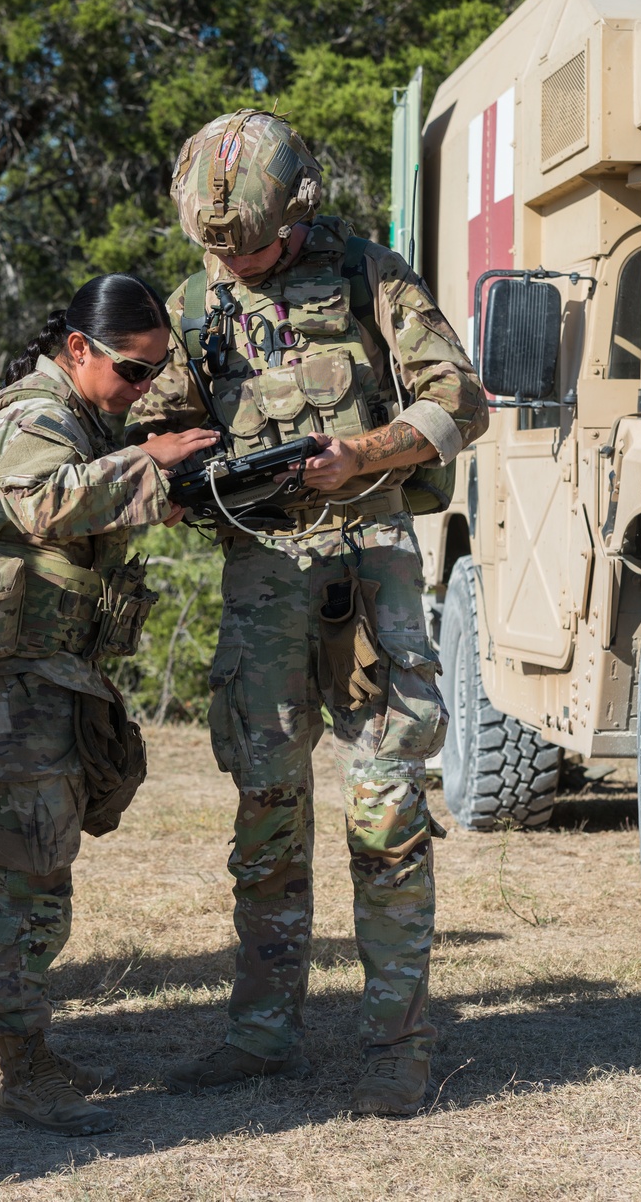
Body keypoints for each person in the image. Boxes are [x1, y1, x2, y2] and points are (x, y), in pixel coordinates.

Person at [126, 110, 488, 1116]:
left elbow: (461, 400)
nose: (234, 260)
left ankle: (396, 1046)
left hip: (369, 573)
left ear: (299, 213)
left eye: (249, 241)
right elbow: (156, 428)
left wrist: (358, 456)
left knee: (385, 805)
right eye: (217, 246)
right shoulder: (197, 301)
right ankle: (261, 1032)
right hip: (261, 586)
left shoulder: (372, 274)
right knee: (265, 808)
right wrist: (194, 459)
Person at [0, 273, 217, 1135]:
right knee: (26, 878)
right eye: (133, 372)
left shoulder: (91, 416)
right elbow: (46, 504)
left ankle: (31, 1053)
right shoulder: (30, 417)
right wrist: (154, 463)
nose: (143, 391)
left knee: (47, 867)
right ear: (78, 350)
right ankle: (20, 1069)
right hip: (6, 684)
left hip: (48, 675)